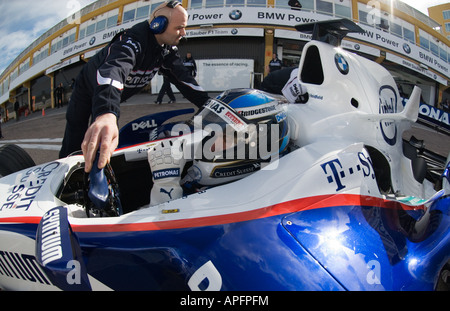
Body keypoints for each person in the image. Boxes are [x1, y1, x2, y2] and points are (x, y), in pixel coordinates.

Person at [59, 1, 209, 173]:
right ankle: (62, 172)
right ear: (158, 25)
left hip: (111, 93)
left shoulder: (167, 50)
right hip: (88, 88)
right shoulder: (132, 40)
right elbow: (113, 70)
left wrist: (211, 106)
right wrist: (106, 112)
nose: (184, 33)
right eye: (179, 28)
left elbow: (185, 80)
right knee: (77, 131)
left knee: (102, 141)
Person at [148, 89, 291, 206]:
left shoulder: (249, 200)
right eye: (212, 133)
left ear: (257, 145)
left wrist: (165, 186)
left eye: (225, 138)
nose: (211, 144)